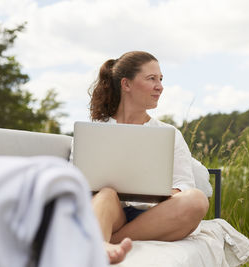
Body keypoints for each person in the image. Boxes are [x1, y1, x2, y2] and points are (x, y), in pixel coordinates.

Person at [88, 51, 209, 264]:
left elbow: (184, 184)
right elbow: (77, 179)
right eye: (151, 79)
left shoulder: (168, 133)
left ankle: (108, 242)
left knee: (196, 199)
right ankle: (103, 241)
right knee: (106, 194)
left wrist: (163, 193)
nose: (160, 86)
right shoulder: (95, 131)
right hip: (109, 214)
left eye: (161, 79)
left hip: (154, 217)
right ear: (126, 84)